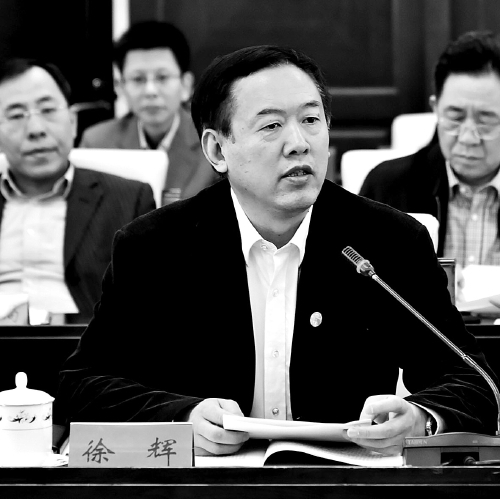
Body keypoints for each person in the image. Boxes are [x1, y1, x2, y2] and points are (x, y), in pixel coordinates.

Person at [57, 45, 498, 457]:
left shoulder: (387, 241)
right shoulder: (155, 246)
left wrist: (422, 419)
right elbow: (82, 384)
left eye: (311, 120)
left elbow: (475, 381)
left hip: (342, 484)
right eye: (271, 126)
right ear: (217, 149)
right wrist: (182, 416)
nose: (299, 142)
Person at [0, 58, 155, 324]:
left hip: (85, 344)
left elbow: (150, 304)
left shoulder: (130, 199)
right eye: (16, 115)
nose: (36, 130)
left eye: (48, 110)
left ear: (72, 122)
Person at [360, 30, 500, 270]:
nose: (468, 138)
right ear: (436, 108)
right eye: (455, 117)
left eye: (485, 121)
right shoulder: (387, 189)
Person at [79, 20, 219, 204]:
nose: (150, 91)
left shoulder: (212, 142)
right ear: (120, 87)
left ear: (186, 85)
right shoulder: (97, 143)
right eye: (138, 79)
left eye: (162, 77)